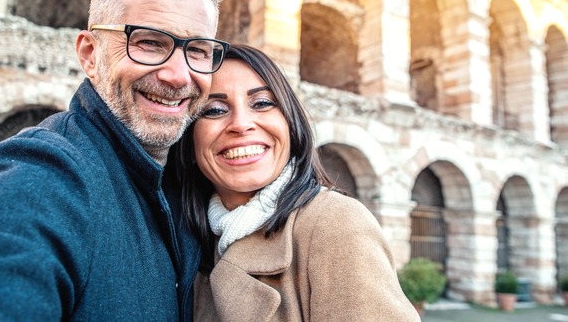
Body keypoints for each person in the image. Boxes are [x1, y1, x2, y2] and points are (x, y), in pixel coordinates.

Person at [0, 0, 229, 321]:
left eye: (198, 50)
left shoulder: (190, 189)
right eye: (149, 43)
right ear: (90, 54)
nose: (177, 75)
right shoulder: (45, 177)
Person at [171, 45, 420, 321]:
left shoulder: (336, 225)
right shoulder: (187, 240)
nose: (241, 124)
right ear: (189, 140)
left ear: (291, 123)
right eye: (214, 109)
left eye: (262, 103)